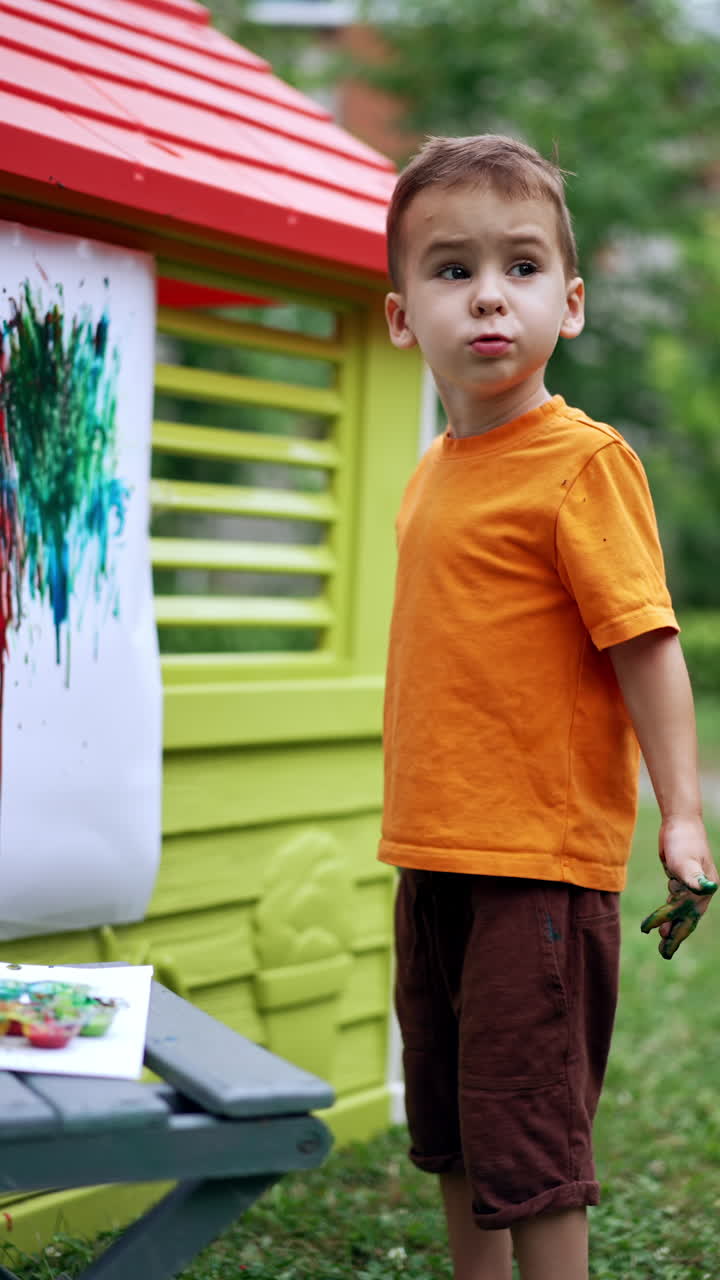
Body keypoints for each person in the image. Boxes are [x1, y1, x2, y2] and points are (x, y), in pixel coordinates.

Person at [377, 134, 718, 1280]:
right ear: (398, 315)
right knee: (455, 1121)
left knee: (533, 1138)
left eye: (521, 268)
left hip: (535, 863)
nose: (487, 296)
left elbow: (649, 643)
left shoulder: (582, 463)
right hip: (433, 852)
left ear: (569, 305)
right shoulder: (430, 474)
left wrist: (681, 813)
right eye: (452, 269)